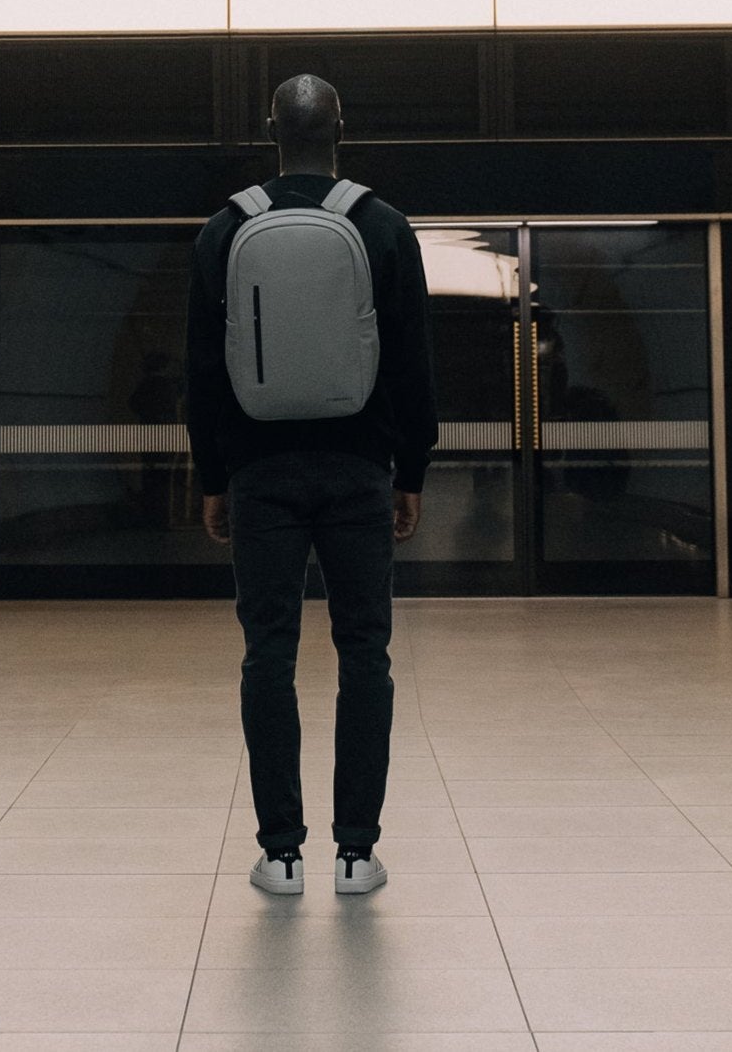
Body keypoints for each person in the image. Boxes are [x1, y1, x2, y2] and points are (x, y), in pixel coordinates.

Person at [185, 73, 438, 896]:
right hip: (359, 469)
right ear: (341, 128)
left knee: (269, 654)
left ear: (271, 130)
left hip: (260, 474)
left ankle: (281, 854)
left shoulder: (225, 228)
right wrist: (412, 470)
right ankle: (356, 852)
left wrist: (214, 475)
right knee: (364, 651)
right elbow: (409, 365)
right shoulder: (383, 225)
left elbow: (203, 371)